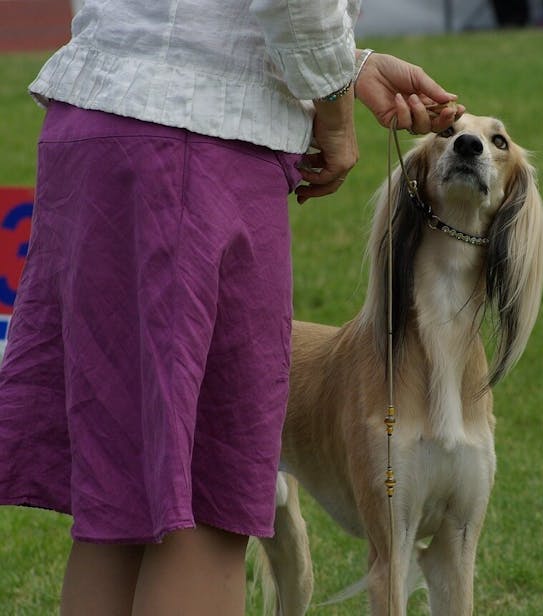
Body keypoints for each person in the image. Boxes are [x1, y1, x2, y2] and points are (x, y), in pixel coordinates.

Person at [0, 0, 463, 614]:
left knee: (121, 508)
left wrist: (346, 66)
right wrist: (332, 105)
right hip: (197, 141)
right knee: (201, 504)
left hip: (102, 121)